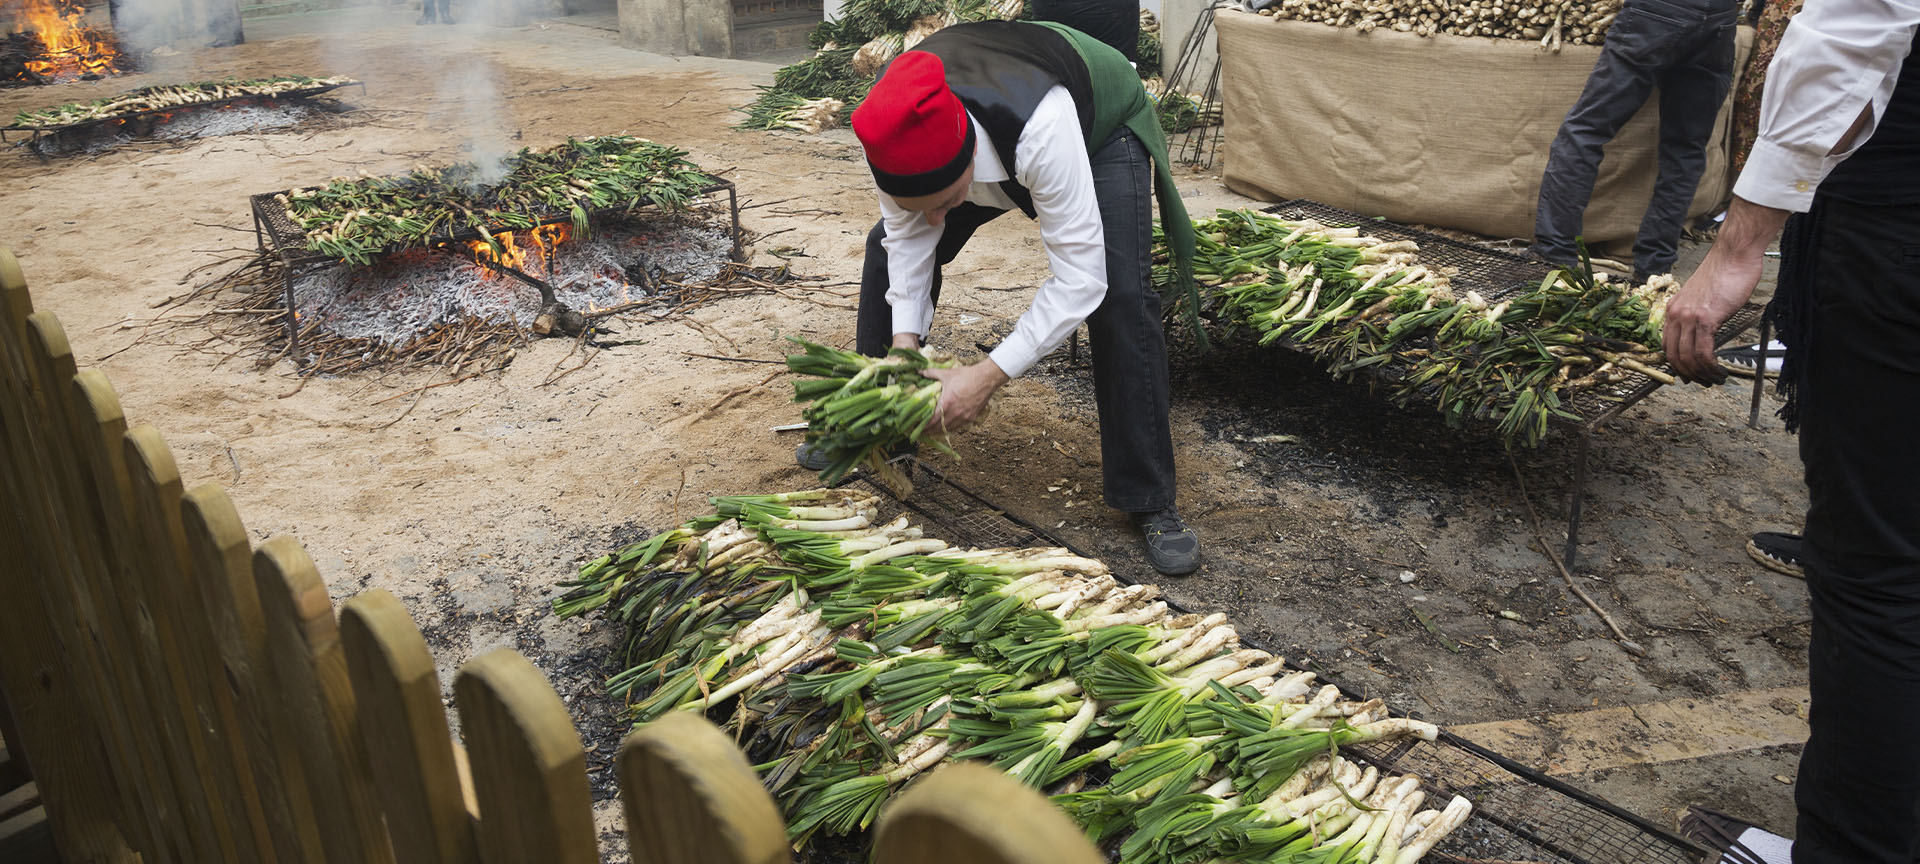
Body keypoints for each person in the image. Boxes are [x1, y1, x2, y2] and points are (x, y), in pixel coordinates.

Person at [802, 20, 1204, 576]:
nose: (938, 220)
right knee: (883, 246)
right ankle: (880, 426)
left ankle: (1150, 499)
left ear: (968, 156)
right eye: (921, 205)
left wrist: (986, 377)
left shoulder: (1042, 127)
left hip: (1098, 123)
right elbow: (908, 243)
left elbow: (1080, 278)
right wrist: (903, 348)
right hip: (985, 126)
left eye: (945, 202)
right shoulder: (894, 130)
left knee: (1120, 293)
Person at [1661, 3, 1920, 861]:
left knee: (1879, 579)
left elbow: (1857, 31)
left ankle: (1848, 849)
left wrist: (1740, 247)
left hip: (1901, 230)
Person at [1532, 0, 1740, 283]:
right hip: (1719, 18)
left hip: (1658, 13)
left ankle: (1554, 253)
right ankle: (1655, 268)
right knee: (1685, 148)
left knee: (1586, 132)